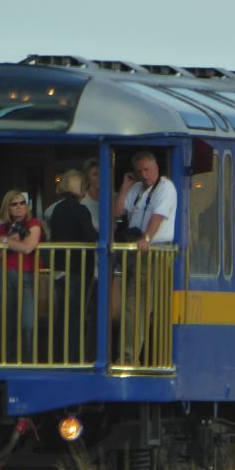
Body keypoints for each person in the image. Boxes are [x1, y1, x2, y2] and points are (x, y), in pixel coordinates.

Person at [114, 151, 177, 365]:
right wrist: (124, 185)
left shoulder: (166, 188)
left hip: (154, 252)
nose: (144, 175)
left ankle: (129, 358)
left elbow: (159, 216)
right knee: (135, 306)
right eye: (139, 171)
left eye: (147, 170)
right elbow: (118, 211)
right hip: (136, 252)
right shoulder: (136, 189)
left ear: (156, 167)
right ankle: (131, 357)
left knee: (137, 305)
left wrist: (147, 238)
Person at [48, 170, 97, 363]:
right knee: (76, 317)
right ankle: (74, 358)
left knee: (62, 316)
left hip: (59, 268)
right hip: (78, 269)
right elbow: (90, 238)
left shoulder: (57, 209)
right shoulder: (81, 210)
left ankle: (60, 357)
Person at [0, 190, 42, 363]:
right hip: (5, 274)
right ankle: (9, 361)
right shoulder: (3, 227)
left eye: (22, 203)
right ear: (7, 207)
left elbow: (28, 248)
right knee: (8, 323)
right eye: (14, 204)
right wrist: (11, 240)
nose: (19, 207)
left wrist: (7, 242)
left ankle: (29, 362)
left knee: (27, 324)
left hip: (26, 274)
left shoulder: (33, 223)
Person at [80, 158, 100, 232]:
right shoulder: (81, 199)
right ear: (88, 178)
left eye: (102, 173)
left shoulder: (113, 198)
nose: (100, 177)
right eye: (95, 174)